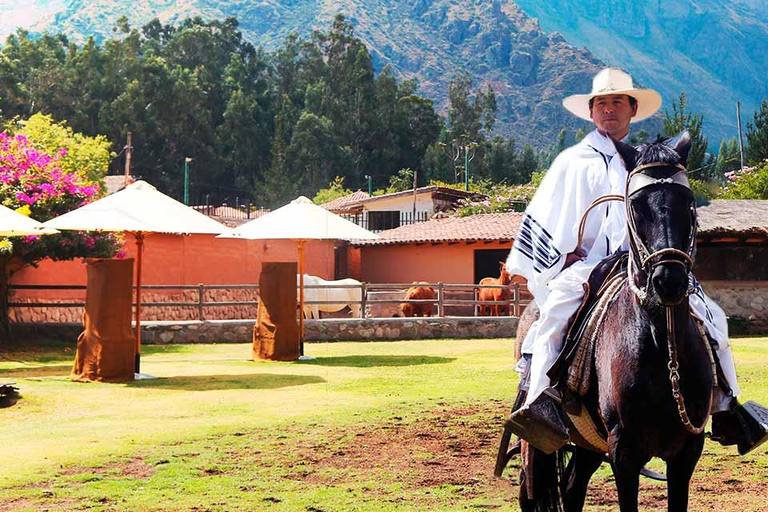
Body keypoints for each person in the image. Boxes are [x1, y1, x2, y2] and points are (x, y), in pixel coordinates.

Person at [506, 68, 766, 455]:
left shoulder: (650, 160)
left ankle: (728, 408)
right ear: (591, 112)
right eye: (602, 104)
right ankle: (543, 407)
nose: (609, 110)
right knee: (555, 317)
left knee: (712, 316)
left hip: (646, 264)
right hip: (587, 265)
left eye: (617, 102)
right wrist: (562, 255)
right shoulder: (572, 162)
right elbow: (549, 216)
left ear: (632, 109)